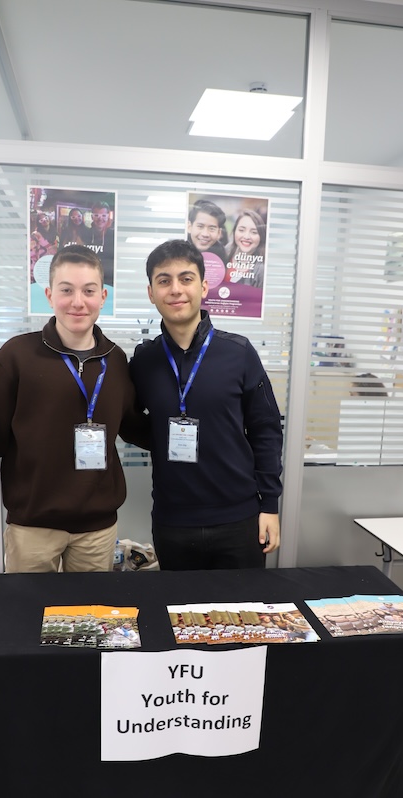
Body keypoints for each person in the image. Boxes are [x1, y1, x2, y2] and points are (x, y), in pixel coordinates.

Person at [0, 244, 148, 576]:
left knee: (91, 610)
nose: (78, 302)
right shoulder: (16, 358)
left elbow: (133, 425)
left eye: (88, 291)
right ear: (49, 295)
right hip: (32, 527)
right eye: (66, 290)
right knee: (30, 609)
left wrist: (200, 426)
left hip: (97, 529)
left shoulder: (116, 361)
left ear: (103, 296)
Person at [129, 239, 283, 571]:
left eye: (186, 278)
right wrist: (161, 437)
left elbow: (266, 430)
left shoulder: (238, 353)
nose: (176, 289)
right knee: (179, 604)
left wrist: (270, 504)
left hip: (239, 519)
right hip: (173, 522)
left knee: (244, 605)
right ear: (151, 292)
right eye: (164, 280)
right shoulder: (144, 361)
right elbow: (128, 421)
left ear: (203, 286)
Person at [225, 210, 266, 287]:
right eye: (241, 230)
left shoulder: (262, 269)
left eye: (254, 232)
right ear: (234, 231)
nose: (246, 237)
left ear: (261, 236)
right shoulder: (226, 251)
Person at [187, 199, 227, 264]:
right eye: (200, 226)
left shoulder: (222, 254)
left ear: (219, 233)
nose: (205, 234)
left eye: (212, 228)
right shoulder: (178, 251)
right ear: (189, 227)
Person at [30, 211, 59, 281]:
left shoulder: (55, 233)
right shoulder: (35, 235)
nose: (44, 220)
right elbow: (32, 252)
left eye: (46, 218)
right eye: (41, 220)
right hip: (41, 265)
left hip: (53, 264)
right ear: (38, 223)